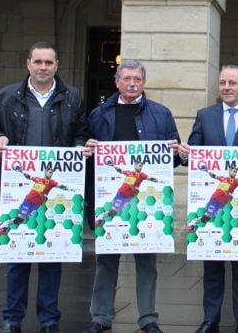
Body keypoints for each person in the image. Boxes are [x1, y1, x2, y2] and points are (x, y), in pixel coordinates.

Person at [0, 41, 90, 333]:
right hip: (18, 188)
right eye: (38, 62)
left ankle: (49, 319)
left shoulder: (72, 97)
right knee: (17, 254)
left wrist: (80, 147)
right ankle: (11, 318)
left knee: (53, 255)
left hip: (58, 188)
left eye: (49, 63)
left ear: (57, 66)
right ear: (28, 63)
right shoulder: (7, 96)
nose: (43, 67)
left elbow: (81, 133)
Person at [82, 59, 183, 333]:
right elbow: (86, 157)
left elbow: (171, 160)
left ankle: (148, 319)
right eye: (126, 78)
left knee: (147, 264)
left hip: (147, 203)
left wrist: (176, 152)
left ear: (144, 82)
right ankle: (100, 317)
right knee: (106, 262)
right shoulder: (99, 114)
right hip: (110, 199)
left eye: (137, 79)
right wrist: (85, 148)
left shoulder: (161, 114)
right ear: (117, 82)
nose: (132, 83)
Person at [180, 64, 238, 333]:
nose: (227, 87)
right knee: (212, 265)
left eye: (233, 82)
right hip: (213, 201)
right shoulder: (205, 116)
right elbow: (194, 152)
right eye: (222, 82)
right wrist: (186, 154)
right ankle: (210, 319)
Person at [0, 167, 77, 234]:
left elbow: (60, 186)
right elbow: (29, 176)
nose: (51, 174)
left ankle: (4, 224)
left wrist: (70, 189)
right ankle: (3, 226)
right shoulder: (39, 179)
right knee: (20, 217)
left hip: (37, 204)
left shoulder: (51, 182)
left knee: (21, 219)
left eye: (52, 173)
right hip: (29, 200)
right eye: (49, 172)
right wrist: (21, 171)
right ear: (45, 172)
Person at [186, 166, 238, 232]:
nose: (235, 173)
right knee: (208, 215)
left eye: (236, 172)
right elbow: (214, 176)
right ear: (230, 171)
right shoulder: (223, 178)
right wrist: (206, 170)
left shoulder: (236, 181)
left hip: (222, 203)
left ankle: (192, 223)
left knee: (208, 218)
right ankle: (192, 223)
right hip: (215, 199)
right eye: (234, 171)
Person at [94, 160, 165, 227]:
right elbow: (120, 170)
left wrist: (160, 181)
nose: (141, 167)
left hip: (128, 197)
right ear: (135, 165)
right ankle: (99, 217)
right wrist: (113, 166)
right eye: (139, 165)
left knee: (114, 212)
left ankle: (99, 217)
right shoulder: (129, 172)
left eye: (141, 166)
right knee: (114, 210)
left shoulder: (141, 175)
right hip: (121, 194)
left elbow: (151, 178)